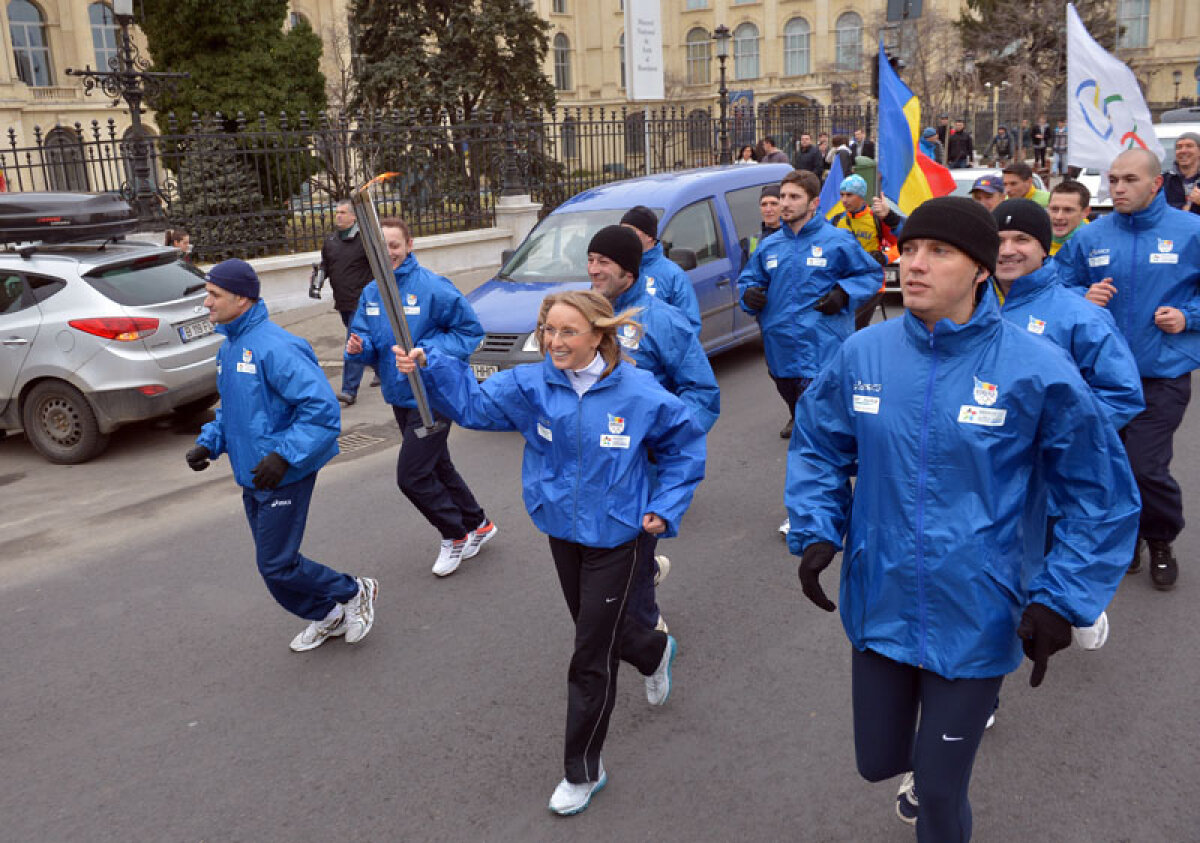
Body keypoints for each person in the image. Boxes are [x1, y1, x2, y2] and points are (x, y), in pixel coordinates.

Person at [786, 196, 1138, 840]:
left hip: (978, 611)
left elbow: (1101, 495)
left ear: (981, 270)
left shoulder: (1035, 367)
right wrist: (815, 527)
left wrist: (1063, 599)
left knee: (942, 789)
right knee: (877, 763)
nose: (914, 264)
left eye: (938, 252)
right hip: (881, 596)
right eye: (910, 249)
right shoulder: (865, 353)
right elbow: (818, 442)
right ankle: (919, 769)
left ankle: (938, 783)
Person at [393, 289, 705, 816]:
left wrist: (665, 505)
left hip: (620, 534)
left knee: (590, 655)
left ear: (598, 336)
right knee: (595, 628)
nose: (554, 342)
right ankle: (653, 651)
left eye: (567, 332)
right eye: (548, 331)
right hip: (561, 526)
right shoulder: (530, 382)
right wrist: (431, 366)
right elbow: (472, 406)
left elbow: (684, 445)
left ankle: (584, 770)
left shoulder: (640, 393)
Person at [186, 259, 379, 653]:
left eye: (214, 295)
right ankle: (328, 614)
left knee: (276, 563)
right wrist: (210, 441)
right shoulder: (230, 348)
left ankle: (354, 590)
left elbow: (322, 410)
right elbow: (233, 411)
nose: (206, 303)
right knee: (272, 566)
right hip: (252, 475)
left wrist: (284, 456)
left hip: (284, 474)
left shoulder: (277, 347)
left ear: (242, 299)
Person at [1056, 148, 1200, 590]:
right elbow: (1058, 283)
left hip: (1163, 373)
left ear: (1156, 183)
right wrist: (1081, 295)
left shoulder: (1190, 231)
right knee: (1108, 466)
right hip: (1100, 377)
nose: (1117, 188)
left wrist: (1188, 317)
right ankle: (1129, 536)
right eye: (1113, 179)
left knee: (1143, 466)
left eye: (1129, 180)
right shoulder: (1091, 235)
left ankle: (1159, 538)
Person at [345, 216, 496, 578]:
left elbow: (470, 332)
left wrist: (425, 352)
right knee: (437, 465)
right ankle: (479, 523)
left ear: (409, 246)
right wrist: (359, 346)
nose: (388, 253)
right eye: (381, 247)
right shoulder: (372, 292)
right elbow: (366, 339)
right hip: (400, 395)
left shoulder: (432, 287)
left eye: (394, 245)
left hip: (433, 395)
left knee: (411, 477)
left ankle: (454, 535)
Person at [586, 224, 719, 634]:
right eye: (590, 260)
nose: (592, 270)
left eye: (603, 262)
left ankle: (648, 633)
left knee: (631, 548)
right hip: (596, 457)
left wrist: (667, 443)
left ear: (628, 270)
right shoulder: (586, 312)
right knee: (602, 547)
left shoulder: (662, 320)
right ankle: (641, 580)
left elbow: (701, 392)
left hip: (645, 461)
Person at [737, 168, 881, 445]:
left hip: (822, 348)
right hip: (780, 349)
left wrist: (843, 293)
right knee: (801, 417)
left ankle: (820, 473)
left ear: (814, 203)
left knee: (818, 432)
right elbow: (749, 281)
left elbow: (871, 275)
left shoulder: (837, 240)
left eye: (794, 196)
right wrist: (750, 295)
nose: (785, 203)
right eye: (782, 196)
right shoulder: (770, 246)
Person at [321, 200, 376, 406]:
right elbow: (325, 266)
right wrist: (317, 278)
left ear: (354, 217)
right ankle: (379, 370)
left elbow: (378, 267)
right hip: (342, 301)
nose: (338, 216)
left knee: (352, 341)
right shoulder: (331, 241)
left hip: (361, 302)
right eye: (336, 213)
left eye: (343, 212)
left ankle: (348, 390)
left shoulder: (365, 240)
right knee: (364, 341)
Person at [829, 174, 902, 329]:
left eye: (849, 195)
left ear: (861, 196)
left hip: (872, 284)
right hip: (844, 283)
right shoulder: (836, 220)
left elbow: (899, 244)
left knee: (853, 328)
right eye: (841, 195)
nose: (844, 200)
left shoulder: (875, 218)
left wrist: (884, 257)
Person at [619, 205, 702, 331]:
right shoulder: (614, 269)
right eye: (622, 232)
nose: (625, 237)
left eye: (631, 232)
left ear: (650, 237)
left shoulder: (673, 275)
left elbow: (689, 325)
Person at [1046, 180, 1091, 255]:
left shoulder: (1094, 248)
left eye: (1068, 210)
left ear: (1085, 212)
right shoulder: (1034, 240)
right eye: (1054, 209)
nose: (1059, 217)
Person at [1162, 131, 1200, 215]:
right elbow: (1154, 208)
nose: (1183, 150)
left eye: (1189, 146)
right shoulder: (1163, 181)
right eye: (1179, 147)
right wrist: (1181, 209)